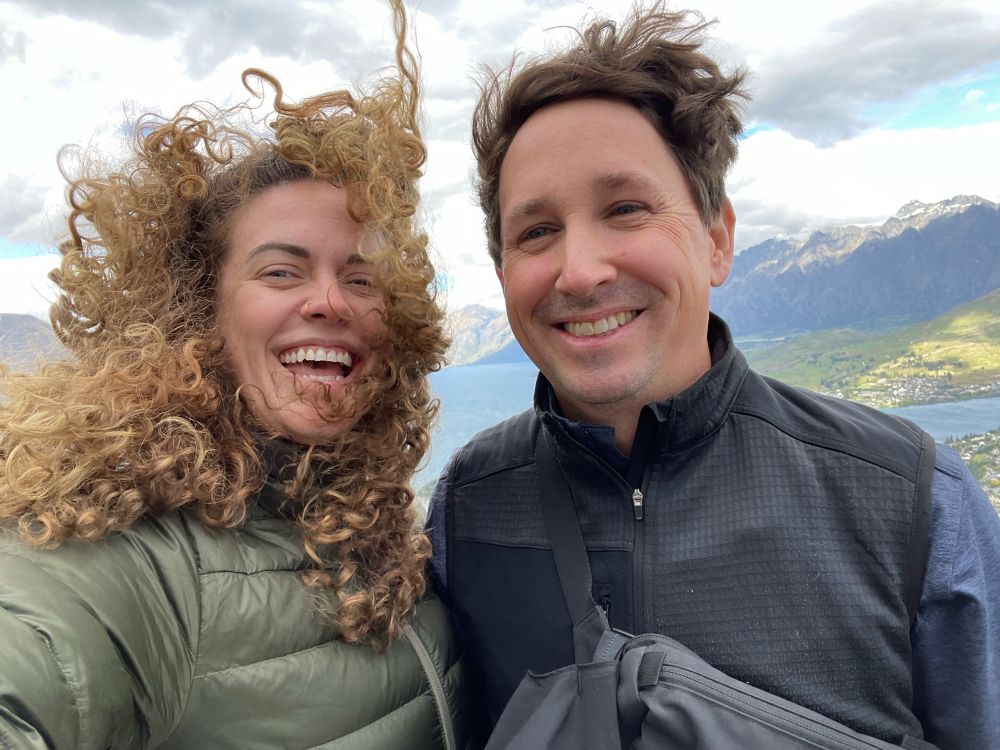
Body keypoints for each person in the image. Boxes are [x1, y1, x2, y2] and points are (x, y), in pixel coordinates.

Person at [428, 4, 1000, 749]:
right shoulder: (468, 510)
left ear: (717, 239)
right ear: (504, 272)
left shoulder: (912, 502)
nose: (580, 269)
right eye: (536, 231)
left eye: (626, 208)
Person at [0, 3, 470, 748]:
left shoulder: (377, 526)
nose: (328, 301)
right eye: (281, 270)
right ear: (198, 310)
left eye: (362, 278)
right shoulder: (137, 554)